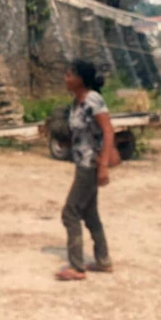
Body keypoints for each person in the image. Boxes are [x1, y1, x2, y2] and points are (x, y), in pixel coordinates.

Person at [56, 60, 115, 281]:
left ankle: (77, 266)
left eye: (69, 74)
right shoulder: (76, 102)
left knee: (70, 213)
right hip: (82, 163)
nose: (66, 78)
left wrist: (103, 166)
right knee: (90, 214)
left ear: (80, 79)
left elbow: (108, 132)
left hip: (91, 165)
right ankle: (103, 260)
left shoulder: (93, 100)